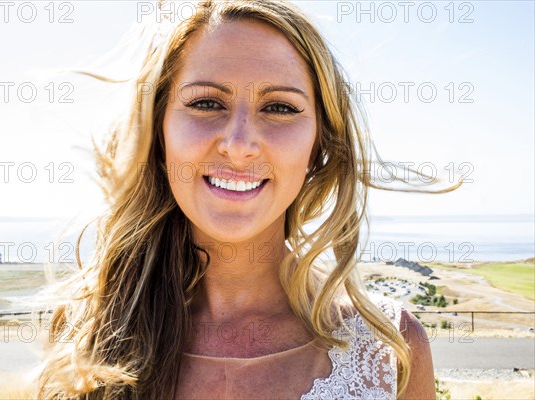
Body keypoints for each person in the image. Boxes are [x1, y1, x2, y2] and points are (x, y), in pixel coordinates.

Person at [38, 0, 442, 398]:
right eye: (206, 102)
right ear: (158, 132)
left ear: (320, 144)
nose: (239, 145)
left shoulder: (391, 352)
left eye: (280, 107)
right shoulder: (83, 336)